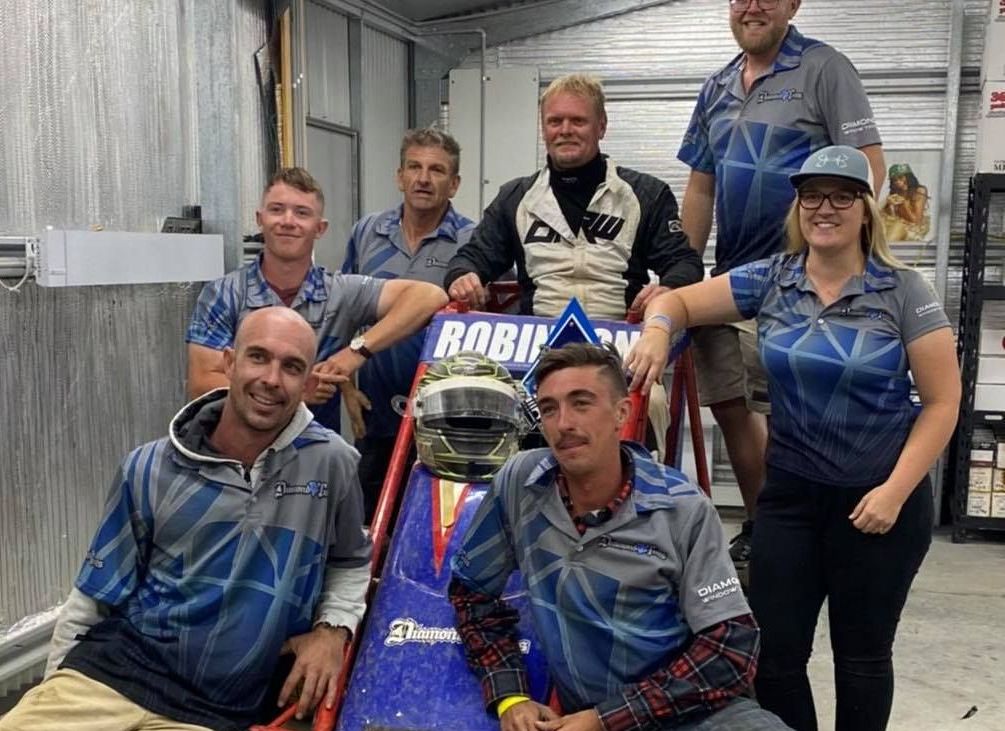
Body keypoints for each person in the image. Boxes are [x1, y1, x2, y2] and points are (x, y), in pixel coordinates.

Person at [626, 146, 960, 731]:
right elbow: (678, 301)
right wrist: (657, 330)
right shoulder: (772, 280)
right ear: (798, 205)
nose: (824, 207)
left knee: (862, 658)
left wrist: (894, 493)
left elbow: (942, 402)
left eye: (840, 195)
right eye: (812, 195)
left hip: (878, 502)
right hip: (791, 498)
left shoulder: (904, 291)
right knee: (774, 658)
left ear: (864, 208)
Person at [0, 308, 375, 731]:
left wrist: (332, 630)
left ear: (308, 384)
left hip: (216, 709)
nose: (271, 379)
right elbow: (91, 599)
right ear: (229, 364)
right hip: (110, 677)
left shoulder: (331, 464)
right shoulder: (148, 466)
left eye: (291, 367)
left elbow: (349, 561)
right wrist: (54, 688)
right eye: (258, 357)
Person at [448, 342, 789, 731]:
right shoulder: (520, 484)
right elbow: (471, 595)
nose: (563, 424)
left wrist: (606, 720)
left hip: (692, 716)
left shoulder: (681, 508)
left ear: (621, 413)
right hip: (581, 716)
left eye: (582, 403)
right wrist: (511, 696)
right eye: (548, 409)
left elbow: (731, 648)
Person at [677, 0, 886, 564]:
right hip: (731, 279)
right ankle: (765, 524)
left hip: (799, 279)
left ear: (793, 4)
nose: (754, 5)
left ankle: (801, 532)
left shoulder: (824, 69)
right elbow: (700, 187)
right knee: (729, 404)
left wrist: (843, 255)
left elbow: (868, 166)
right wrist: (683, 273)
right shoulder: (716, 87)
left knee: (785, 415)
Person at [186, 167, 449, 435]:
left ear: (320, 228)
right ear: (260, 219)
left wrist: (354, 353)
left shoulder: (340, 293)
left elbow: (430, 297)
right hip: (238, 453)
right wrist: (295, 391)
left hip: (313, 458)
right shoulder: (224, 294)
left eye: (302, 213)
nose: (288, 221)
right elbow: (202, 383)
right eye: (277, 209)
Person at [444, 73, 703, 319]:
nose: (565, 130)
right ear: (543, 129)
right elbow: (473, 256)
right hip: (538, 345)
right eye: (555, 121)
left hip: (621, 343)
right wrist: (462, 275)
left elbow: (684, 262)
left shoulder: (646, 194)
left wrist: (669, 288)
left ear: (601, 127)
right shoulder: (515, 197)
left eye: (578, 121)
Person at [341, 128, 475, 521]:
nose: (423, 178)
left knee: (435, 525)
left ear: (454, 184)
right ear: (399, 175)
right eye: (414, 167)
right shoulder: (368, 233)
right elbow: (343, 310)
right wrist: (346, 385)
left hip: (446, 419)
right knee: (369, 521)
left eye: (436, 170)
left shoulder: (474, 240)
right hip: (377, 413)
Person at [881, 163, 930, 242]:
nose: (897, 182)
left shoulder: (919, 191)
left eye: (900, 178)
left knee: (896, 228)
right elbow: (890, 217)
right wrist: (889, 205)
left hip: (913, 230)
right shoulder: (895, 192)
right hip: (898, 226)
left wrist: (903, 204)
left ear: (908, 177)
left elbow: (916, 222)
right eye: (894, 180)